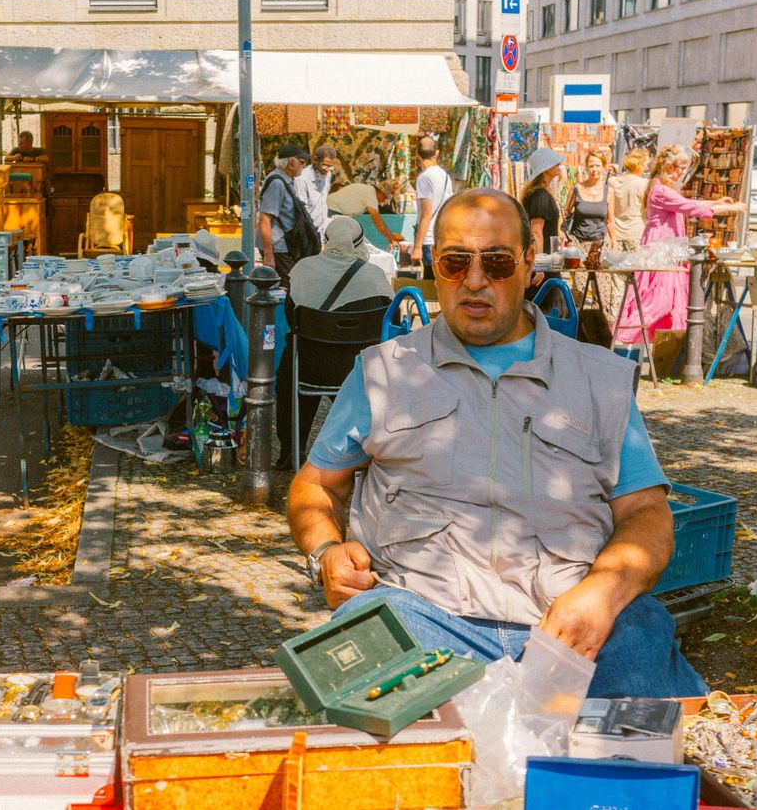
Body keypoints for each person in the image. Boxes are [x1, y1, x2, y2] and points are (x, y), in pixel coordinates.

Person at [286, 187, 706, 699]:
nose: (475, 281)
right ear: (432, 265)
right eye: (456, 262)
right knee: (362, 714)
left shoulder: (599, 379)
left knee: (648, 715)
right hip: (420, 614)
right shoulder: (383, 370)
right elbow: (315, 486)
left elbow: (646, 513)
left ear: (531, 263)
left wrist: (602, 594)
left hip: (570, 620)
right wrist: (327, 550)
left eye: (499, 263)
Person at [275, 216, 392, 470]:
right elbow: (389, 324)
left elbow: (290, 319)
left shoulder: (302, 270)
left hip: (309, 367)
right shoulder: (375, 277)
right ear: (359, 243)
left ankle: (290, 450)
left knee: (292, 362)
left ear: (325, 242)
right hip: (362, 372)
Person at [613, 144, 745, 345]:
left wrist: (715, 202)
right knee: (657, 299)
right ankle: (623, 336)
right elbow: (688, 206)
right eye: (679, 168)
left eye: (684, 168)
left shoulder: (661, 186)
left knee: (670, 297)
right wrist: (725, 207)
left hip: (668, 246)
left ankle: (668, 344)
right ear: (668, 166)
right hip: (661, 248)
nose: (682, 172)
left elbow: (685, 203)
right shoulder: (660, 190)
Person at [563, 150, 620, 319]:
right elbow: (566, 215)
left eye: (598, 165)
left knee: (602, 290)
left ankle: (601, 326)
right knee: (579, 289)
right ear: (586, 167)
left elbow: (610, 220)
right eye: (591, 165)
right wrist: (566, 239)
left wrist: (614, 243)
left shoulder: (608, 191)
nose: (595, 169)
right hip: (579, 244)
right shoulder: (577, 189)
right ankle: (574, 326)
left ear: (604, 168)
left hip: (600, 244)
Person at [259, 143, 310, 286]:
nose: (304, 166)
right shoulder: (277, 183)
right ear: (291, 163)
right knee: (291, 286)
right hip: (277, 247)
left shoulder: (286, 181)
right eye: (302, 162)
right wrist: (269, 255)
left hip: (283, 245)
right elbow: (264, 219)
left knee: (291, 286)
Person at [520, 146, 566, 297]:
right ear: (545, 168)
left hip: (544, 260)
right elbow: (535, 232)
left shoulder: (539, 192)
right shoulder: (540, 195)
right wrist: (538, 266)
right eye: (555, 163)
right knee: (545, 308)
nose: (558, 165)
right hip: (542, 262)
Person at [407, 136, 453, 279]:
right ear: (437, 153)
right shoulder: (444, 176)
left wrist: (417, 247)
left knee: (430, 281)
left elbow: (426, 214)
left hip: (429, 239)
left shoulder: (424, 178)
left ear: (417, 155)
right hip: (442, 236)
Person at [328, 178, 405, 247]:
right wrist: (391, 237)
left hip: (335, 211)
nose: (384, 201)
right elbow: (377, 220)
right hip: (331, 210)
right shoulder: (370, 193)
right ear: (381, 193)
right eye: (385, 198)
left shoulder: (368, 192)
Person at [609, 148, 650, 253]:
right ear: (640, 164)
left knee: (617, 267)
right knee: (635, 268)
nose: (647, 167)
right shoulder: (644, 184)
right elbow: (648, 211)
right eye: (646, 163)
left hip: (616, 234)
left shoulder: (612, 182)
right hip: (637, 233)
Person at [296, 144, 337, 236]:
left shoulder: (327, 174)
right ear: (315, 160)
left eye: (330, 166)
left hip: (321, 228)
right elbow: (301, 210)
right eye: (325, 165)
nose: (327, 169)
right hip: (307, 231)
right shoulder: (302, 179)